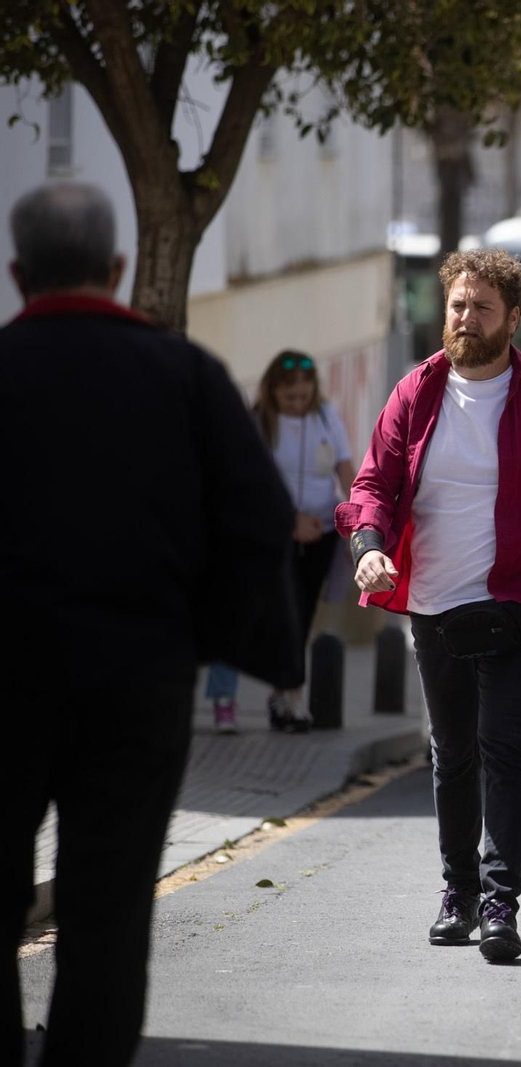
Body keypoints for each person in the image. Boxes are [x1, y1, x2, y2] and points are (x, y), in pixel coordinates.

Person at [6, 182, 293, 1067]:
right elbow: (260, 518)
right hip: (139, 681)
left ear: (17, 274)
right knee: (109, 906)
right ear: (120, 267)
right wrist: (207, 641)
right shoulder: (186, 375)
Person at [337, 247, 521, 963]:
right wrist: (369, 545)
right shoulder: (416, 392)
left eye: (481, 308)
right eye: (458, 305)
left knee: (505, 746)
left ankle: (501, 902)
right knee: (453, 752)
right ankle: (459, 892)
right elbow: (373, 482)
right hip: (436, 604)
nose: (466, 318)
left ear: (513, 317)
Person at [205, 350, 356, 734]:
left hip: (319, 534)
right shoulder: (258, 424)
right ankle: (224, 699)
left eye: (304, 397)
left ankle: (287, 699)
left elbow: (345, 469)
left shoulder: (326, 417)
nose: (298, 404)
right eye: (289, 399)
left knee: (299, 616)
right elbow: (250, 483)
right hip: (271, 533)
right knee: (243, 612)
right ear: (272, 393)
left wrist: (359, 516)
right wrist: (289, 520)